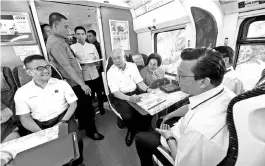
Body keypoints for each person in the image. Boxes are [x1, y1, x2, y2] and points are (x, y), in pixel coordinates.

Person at [135, 48, 236, 166]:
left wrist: (168, 137)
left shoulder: (199, 130)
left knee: (140, 138)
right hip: (182, 130)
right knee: (162, 121)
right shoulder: (226, 93)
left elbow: (180, 162)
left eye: (181, 75)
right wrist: (170, 114)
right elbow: (191, 107)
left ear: (203, 82)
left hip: (177, 145)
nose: (177, 79)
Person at [14, 55, 84, 165]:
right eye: (40, 69)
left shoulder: (62, 84)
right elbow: (25, 117)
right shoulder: (22, 92)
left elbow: (73, 104)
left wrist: (62, 122)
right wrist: (42, 134)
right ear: (29, 72)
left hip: (63, 118)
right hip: (38, 124)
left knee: (76, 141)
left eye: (47, 67)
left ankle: (78, 162)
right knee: (50, 149)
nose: (46, 71)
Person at [46, 12, 104, 140]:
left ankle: (83, 125)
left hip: (76, 80)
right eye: (65, 26)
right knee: (88, 108)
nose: (69, 30)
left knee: (82, 107)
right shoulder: (56, 43)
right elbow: (66, 67)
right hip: (74, 82)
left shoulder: (60, 41)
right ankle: (92, 132)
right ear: (55, 27)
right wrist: (82, 84)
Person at [107, 48, 153, 146]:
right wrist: (129, 99)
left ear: (124, 57)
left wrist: (148, 90)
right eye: (114, 59)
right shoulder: (110, 72)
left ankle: (142, 129)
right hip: (120, 96)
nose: (117, 61)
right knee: (128, 115)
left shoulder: (132, 66)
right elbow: (115, 92)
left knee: (148, 107)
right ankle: (131, 131)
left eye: (119, 58)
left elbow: (139, 82)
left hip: (134, 92)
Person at [70, 26, 105, 115]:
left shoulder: (92, 46)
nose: (81, 36)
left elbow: (97, 59)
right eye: (78, 34)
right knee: (89, 95)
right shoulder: (72, 47)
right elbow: (73, 63)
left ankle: (101, 109)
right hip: (84, 76)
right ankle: (91, 112)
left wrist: (96, 65)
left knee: (100, 93)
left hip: (95, 73)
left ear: (85, 35)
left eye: (82, 34)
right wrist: (80, 63)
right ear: (75, 35)